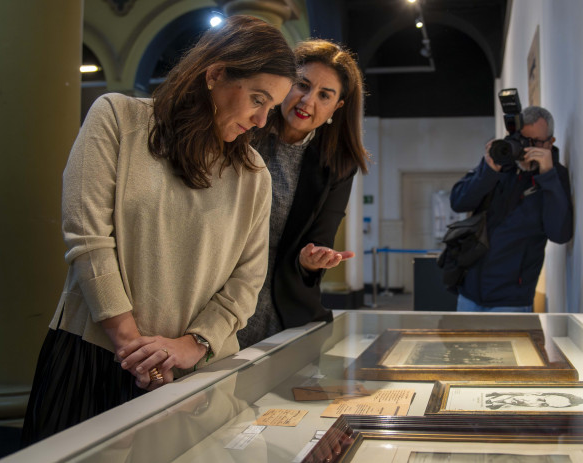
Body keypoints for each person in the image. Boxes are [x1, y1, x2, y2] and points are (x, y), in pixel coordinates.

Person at [21, 15, 297, 445]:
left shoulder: (253, 175)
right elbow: (87, 237)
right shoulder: (118, 118)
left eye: (271, 108)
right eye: (257, 99)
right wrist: (138, 352)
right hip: (94, 358)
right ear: (216, 73)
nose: (262, 121)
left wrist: (193, 344)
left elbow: (246, 281)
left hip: (195, 374)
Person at [236, 39, 369, 349]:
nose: (307, 102)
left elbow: (320, 239)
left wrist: (313, 259)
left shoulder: (339, 164)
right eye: (302, 85)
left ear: (338, 107)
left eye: (324, 95)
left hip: (282, 304)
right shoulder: (241, 130)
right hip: (217, 291)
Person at [450, 106, 573, 312]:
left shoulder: (553, 177)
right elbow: (459, 201)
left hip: (510, 300)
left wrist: (547, 175)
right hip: (470, 293)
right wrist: (489, 170)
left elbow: (559, 234)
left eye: (534, 143)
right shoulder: (500, 166)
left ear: (550, 143)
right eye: (522, 140)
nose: (526, 149)